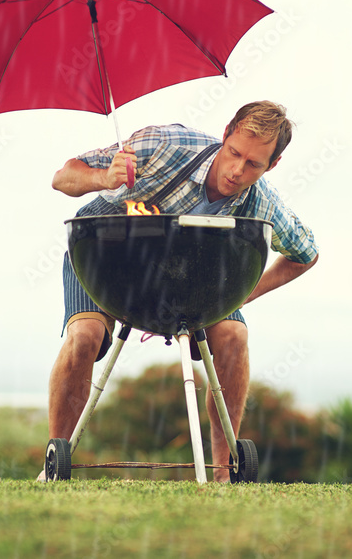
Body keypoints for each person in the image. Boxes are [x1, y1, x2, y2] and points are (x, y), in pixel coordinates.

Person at [44, 100, 319, 482]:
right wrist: (105, 179)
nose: (238, 170)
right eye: (235, 153)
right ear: (225, 135)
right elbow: (63, 177)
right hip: (104, 252)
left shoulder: (263, 202)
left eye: (254, 164)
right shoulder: (161, 145)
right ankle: (55, 466)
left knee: (234, 335)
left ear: (272, 166)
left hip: (187, 272)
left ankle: (223, 473)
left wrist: (240, 297)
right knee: (85, 337)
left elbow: (306, 255)